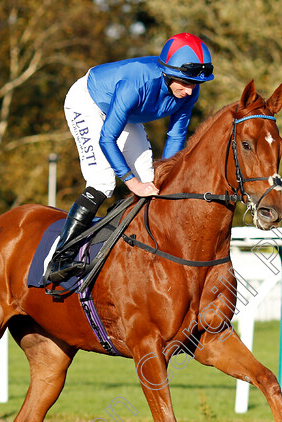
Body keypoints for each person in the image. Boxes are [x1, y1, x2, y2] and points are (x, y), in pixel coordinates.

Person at [46, 32, 215, 283]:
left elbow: (175, 136)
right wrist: (131, 182)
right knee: (103, 181)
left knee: (152, 180)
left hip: (124, 113)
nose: (190, 91)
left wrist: (166, 178)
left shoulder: (189, 92)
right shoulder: (137, 83)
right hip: (88, 103)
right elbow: (106, 139)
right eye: (185, 82)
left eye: (195, 84)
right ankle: (60, 256)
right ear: (168, 73)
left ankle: (123, 245)